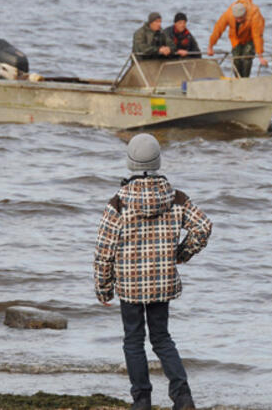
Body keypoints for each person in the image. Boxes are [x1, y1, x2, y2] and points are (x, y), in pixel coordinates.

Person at [93, 133, 212, 410]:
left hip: (130, 285)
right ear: (158, 161)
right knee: (162, 338)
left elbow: (104, 249)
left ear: (129, 163)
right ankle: (182, 398)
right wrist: (181, 253)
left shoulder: (119, 203)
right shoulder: (175, 197)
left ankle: (142, 401)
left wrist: (103, 286)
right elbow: (203, 227)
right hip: (161, 283)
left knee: (133, 341)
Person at [207, 0, 268, 77]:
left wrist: (260, 56)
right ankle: (238, 79)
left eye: (241, 18)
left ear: (245, 14)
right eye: (237, 19)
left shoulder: (254, 13)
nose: (239, 20)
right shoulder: (228, 14)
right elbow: (218, 29)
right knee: (236, 58)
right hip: (236, 38)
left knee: (247, 56)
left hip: (250, 38)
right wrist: (210, 46)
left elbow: (257, 35)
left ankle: (245, 79)